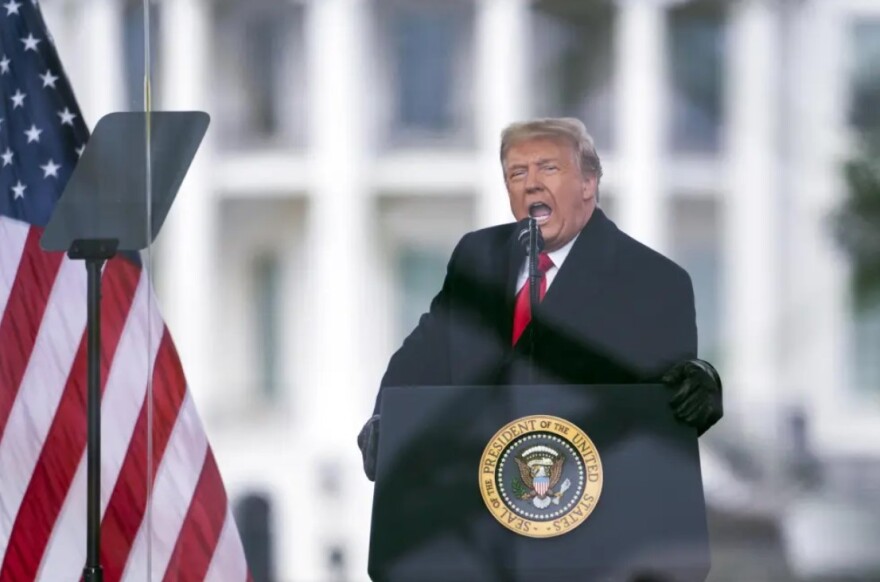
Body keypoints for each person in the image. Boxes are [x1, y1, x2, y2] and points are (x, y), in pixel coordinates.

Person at [358, 117, 722, 481]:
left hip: (591, 506)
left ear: (587, 183)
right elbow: (423, 355)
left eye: (548, 168)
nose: (531, 184)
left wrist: (700, 384)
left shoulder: (653, 280)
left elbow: (673, 395)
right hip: (473, 504)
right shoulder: (478, 256)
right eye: (517, 174)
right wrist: (385, 421)